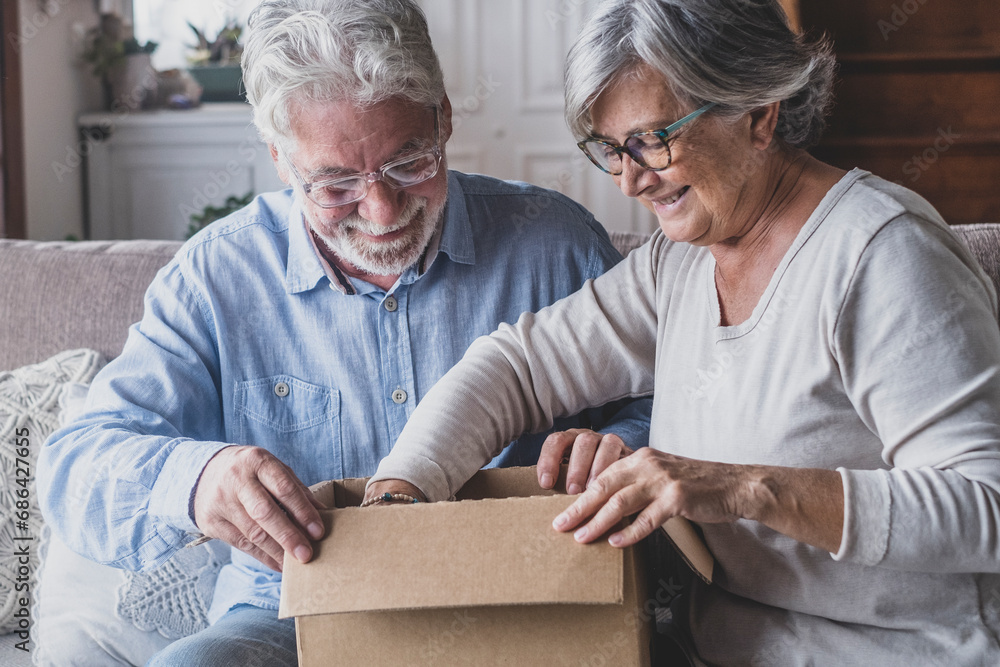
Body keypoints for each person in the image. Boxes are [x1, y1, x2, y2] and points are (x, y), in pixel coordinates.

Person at [366, 0, 1000, 664]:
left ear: (759, 113)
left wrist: (747, 486)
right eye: (611, 149)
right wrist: (402, 490)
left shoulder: (883, 256)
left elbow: (985, 504)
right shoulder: (681, 261)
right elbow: (519, 367)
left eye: (652, 139)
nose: (632, 179)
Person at [36, 1, 650, 664]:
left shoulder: (555, 245)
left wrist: (622, 443)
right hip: (285, 618)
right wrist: (197, 476)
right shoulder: (218, 277)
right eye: (334, 183)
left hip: (521, 606)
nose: (382, 211)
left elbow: (679, 402)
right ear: (280, 158)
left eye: (410, 160)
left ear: (443, 116)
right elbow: (77, 466)